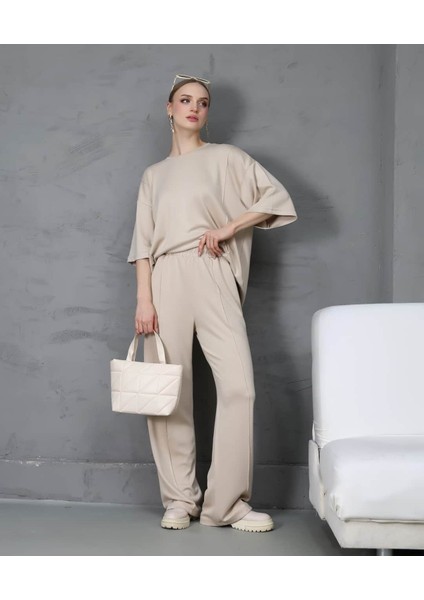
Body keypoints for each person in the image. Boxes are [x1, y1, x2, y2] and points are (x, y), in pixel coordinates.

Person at [127, 73, 298, 533]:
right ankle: (180, 499)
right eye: (185, 100)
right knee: (169, 392)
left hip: (212, 268)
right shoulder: (153, 176)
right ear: (169, 108)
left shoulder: (225, 157)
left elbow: (274, 197)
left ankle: (228, 505)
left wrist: (228, 227)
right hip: (165, 276)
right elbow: (142, 244)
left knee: (239, 386)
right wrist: (144, 300)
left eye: (202, 102)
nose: (194, 108)